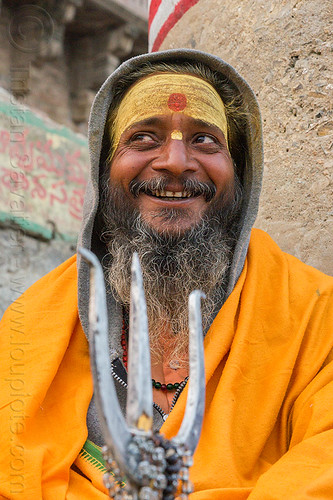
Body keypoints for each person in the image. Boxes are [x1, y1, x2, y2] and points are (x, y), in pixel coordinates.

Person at [0, 48, 332, 499]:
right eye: (143, 139)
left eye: (205, 141)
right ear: (104, 171)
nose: (175, 161)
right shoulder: (30, 327)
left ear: (239, 175)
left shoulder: (314, 312)